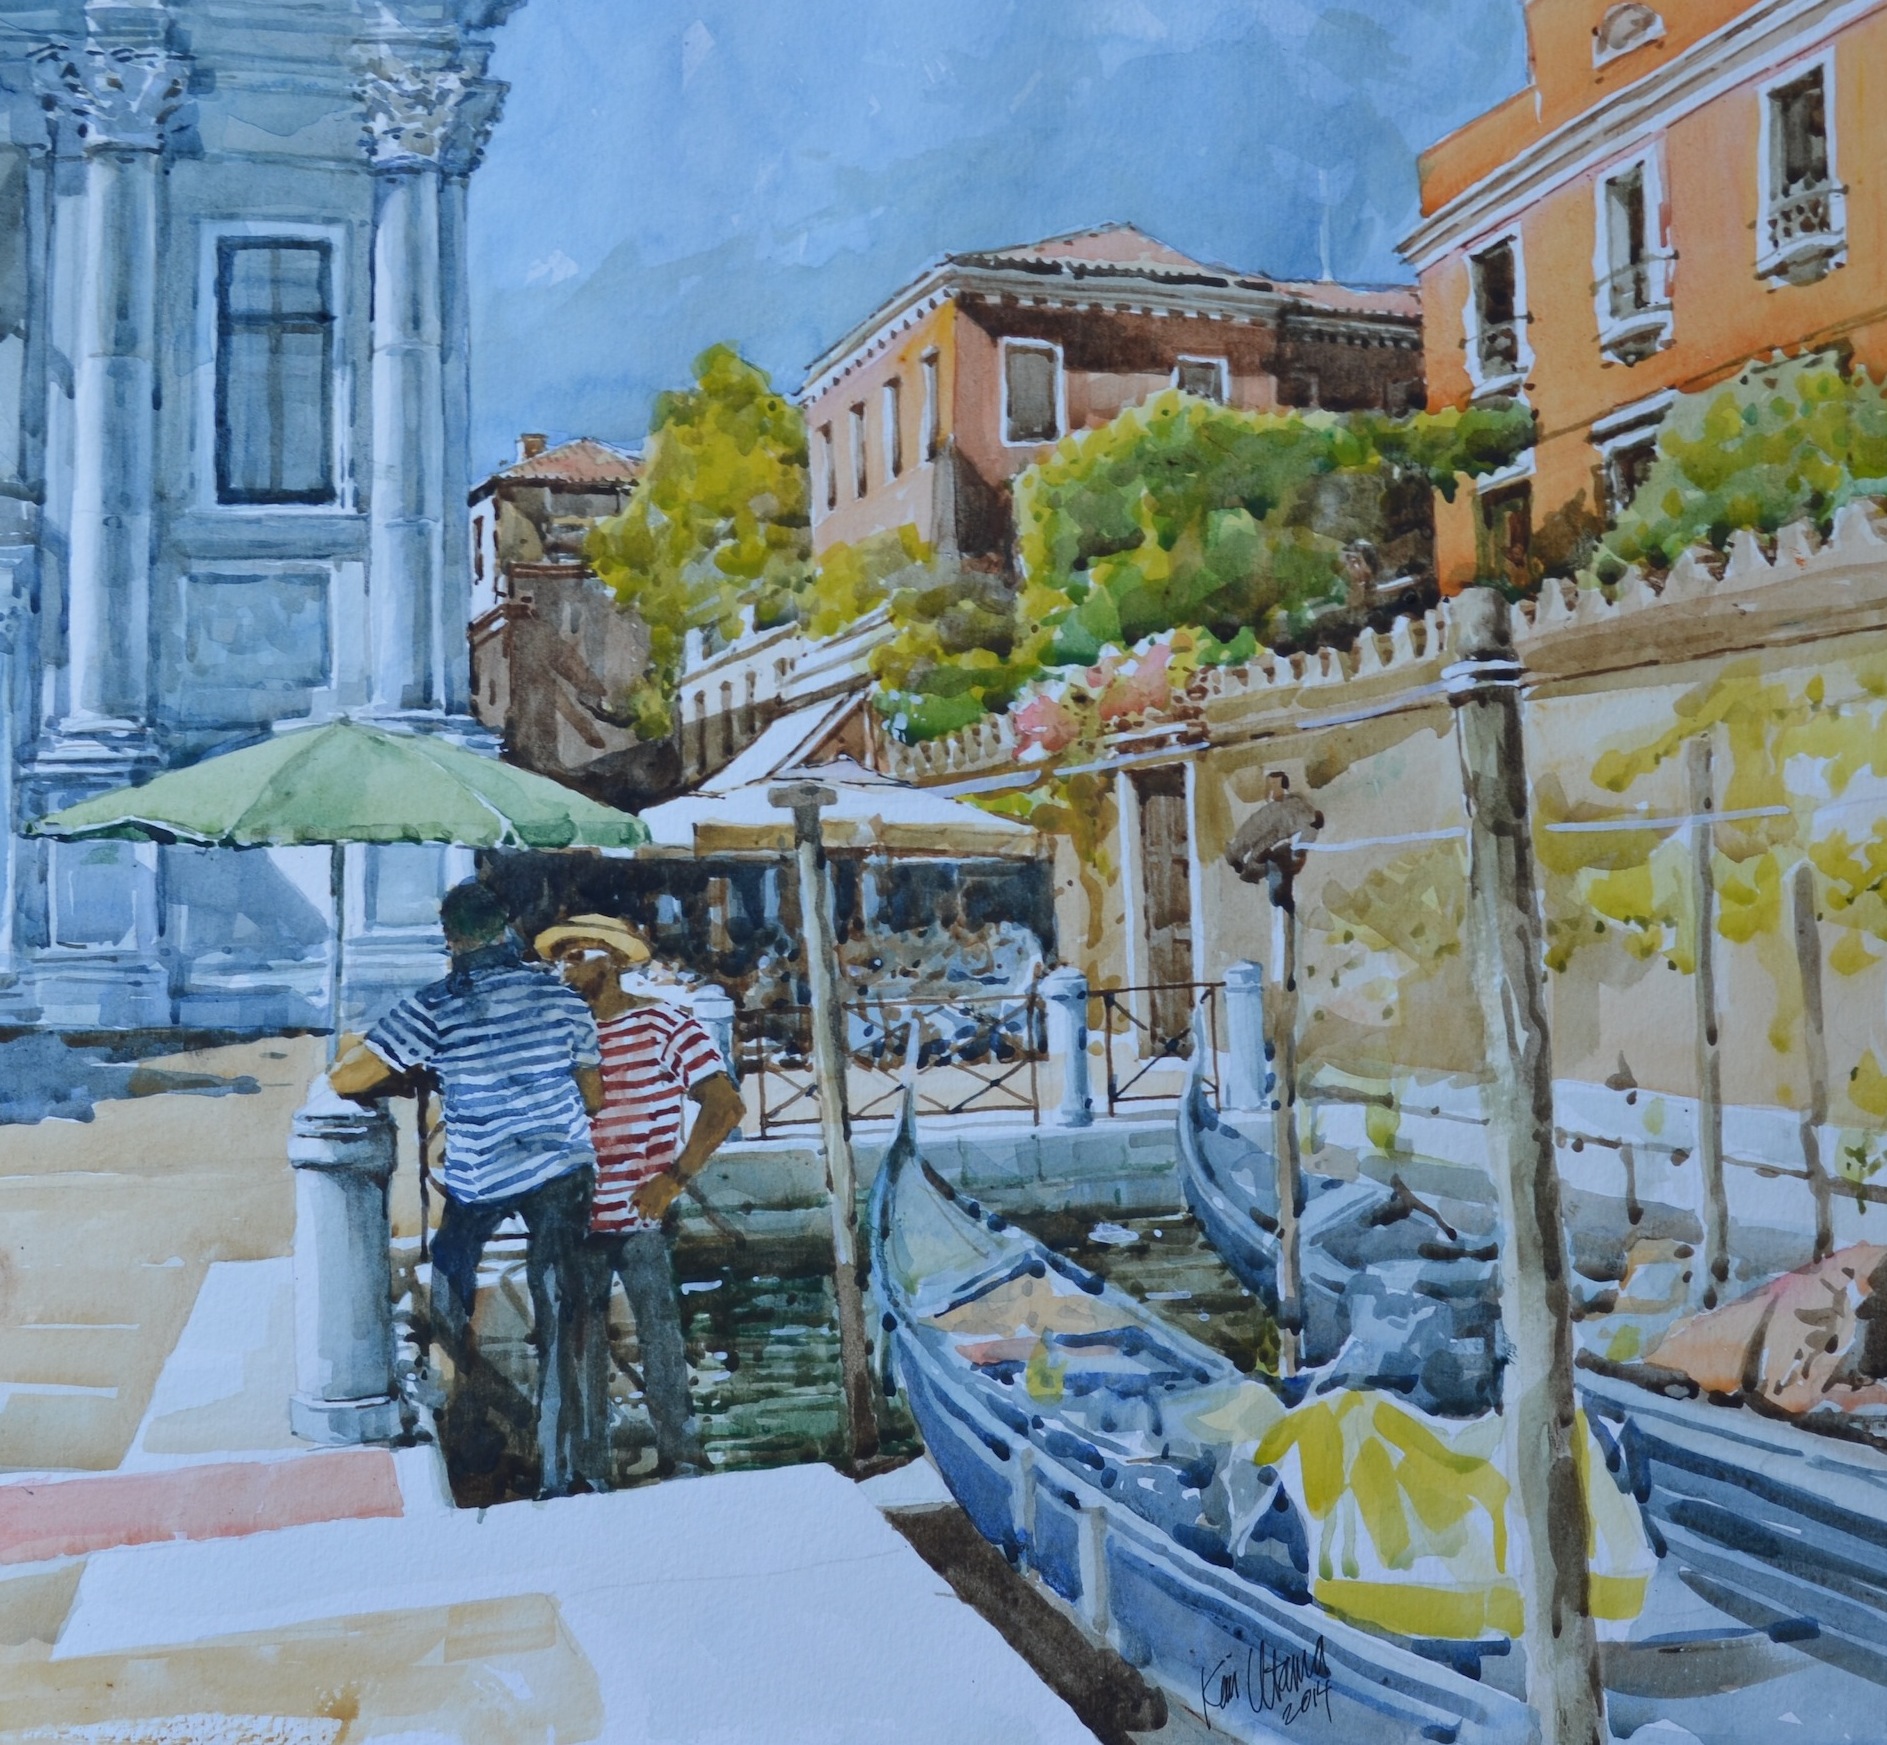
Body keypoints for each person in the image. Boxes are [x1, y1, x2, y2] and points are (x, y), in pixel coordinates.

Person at [330, 880, 603, 1498]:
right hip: (563, 1168)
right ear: (506, 927)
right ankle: (561, 1473)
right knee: (561, 1316)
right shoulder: (561, 997)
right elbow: (592, 1096)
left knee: (450, 1294)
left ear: (450, 939)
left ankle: (471, 1429)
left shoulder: (436, 1005)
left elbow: (349, 1080)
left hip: (481, 1177)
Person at [532, 913, 744, 1483]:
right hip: (572, 1212)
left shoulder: (665, 1024)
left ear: (614, 961)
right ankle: (589, 1472)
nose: (564, 968)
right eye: (561, 957)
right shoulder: (556, 1033)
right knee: (579, 1348)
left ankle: (682, 1456)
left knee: (660, 1338)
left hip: (641, 1212)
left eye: (578, 955)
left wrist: (673, 1178)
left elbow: (724, 1105)